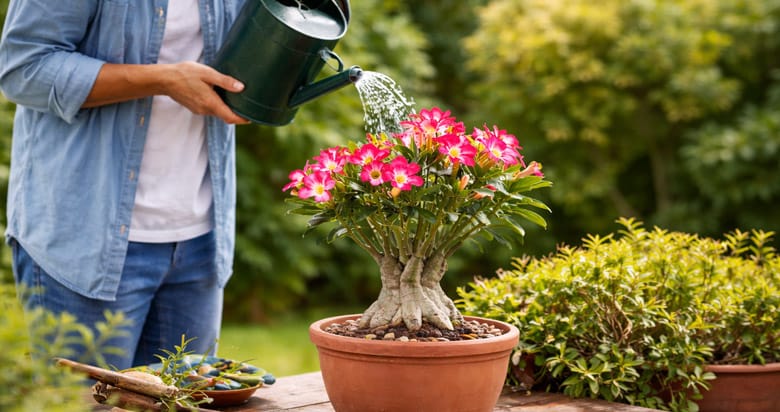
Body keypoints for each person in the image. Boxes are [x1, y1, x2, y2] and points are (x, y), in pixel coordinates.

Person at [0, 0, 249, 370]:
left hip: (199, 244)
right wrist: (163, 80)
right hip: (83, 244)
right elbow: (24, 68)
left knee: (186, 404)